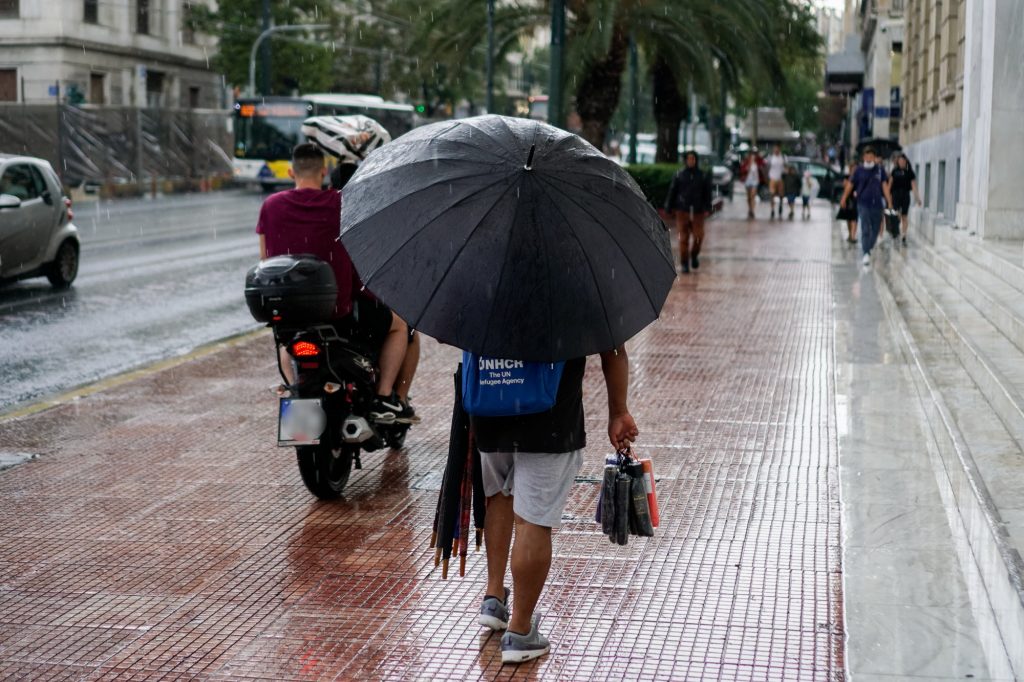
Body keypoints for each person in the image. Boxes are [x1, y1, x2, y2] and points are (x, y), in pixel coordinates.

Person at [474, 348, 638, 664]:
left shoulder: (481, 295)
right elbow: (613, 349)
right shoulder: (579, 296)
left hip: (491, 405)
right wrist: (618, 411)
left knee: (499, 496)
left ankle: (493, 597)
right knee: (532, 519)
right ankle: (520, 631)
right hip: (550, 416)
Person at [256, 144, 416, 423]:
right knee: (400, 325)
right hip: (339, 312)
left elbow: (265, 259)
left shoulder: (271, 206)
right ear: (323, 171)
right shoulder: (341, 203)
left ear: (292, 171)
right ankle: (383, 397)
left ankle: (295, 387)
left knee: (286, 340)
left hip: (291, 313)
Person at [839, 147, 893, 266]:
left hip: (877, 204)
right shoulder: (858, 170)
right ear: (864, 157)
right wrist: (844, 198)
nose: (869, 158)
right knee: (865, 228)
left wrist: (889, 200)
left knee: (875, 229)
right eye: (866, 156)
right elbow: (850, 185)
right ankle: (866, 253)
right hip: (863, 203)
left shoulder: (880, 170)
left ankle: (869, 246)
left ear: (874, 157)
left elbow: (884, 186)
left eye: (871, 156)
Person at [663, 150, 712, 274]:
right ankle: (684, 263)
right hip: (682, 211)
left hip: (698, 212)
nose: (691, 161)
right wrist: (668, 206)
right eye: (689, 159)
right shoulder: (679, 175)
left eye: (693, 159)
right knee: (683, 238)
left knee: (698, 236)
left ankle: (694, 255)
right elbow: (672, 191)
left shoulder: (702, 175)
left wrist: (707, 207)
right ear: (686, 160)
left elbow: (707, 193)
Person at [886, 154, 921, 246]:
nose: (901, 163)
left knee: (904, 216)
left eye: (903, 161)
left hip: (905, 195)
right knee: (896, 214)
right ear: (898, 162)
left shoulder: (909, 172)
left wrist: (917, 198)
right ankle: (896, 231)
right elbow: (889, 185)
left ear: (906, 162)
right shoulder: (894, 171)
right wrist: (888, 197)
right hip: (895, 195)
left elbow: (913, 186)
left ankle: (904, 236)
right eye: (900, 161)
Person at [836, 161, 859, 243]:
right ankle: (850, 234)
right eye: (853, 168)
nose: (854, 170)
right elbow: (844, 186)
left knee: (854, 218)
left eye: (856, 169)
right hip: (848, 199)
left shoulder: (859, 177)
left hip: (856, 200)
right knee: (849, 218)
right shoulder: (847, 177)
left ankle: (853, 235)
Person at [739, 149, 765, 220]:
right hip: (747, 181)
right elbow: (742, 170)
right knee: (749, 197)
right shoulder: (746, 162)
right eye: (752, 155)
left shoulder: (758, 162)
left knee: (753, 195)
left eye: (754, 155)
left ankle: (752, 210)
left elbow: (763, 164)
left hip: (755, 181)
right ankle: (749, 209)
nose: (753, 156)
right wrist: (748, 167)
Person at [767, 145, 786, 219]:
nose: (776, 150)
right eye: (775, 149)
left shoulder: (783, 157)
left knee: (781, 194)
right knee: (772, 194)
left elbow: (785, 167)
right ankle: (772, 209)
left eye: (777, 149)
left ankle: (780, 205)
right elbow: (767, 167)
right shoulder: (770, 158)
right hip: (772, 178)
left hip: (780, 178)